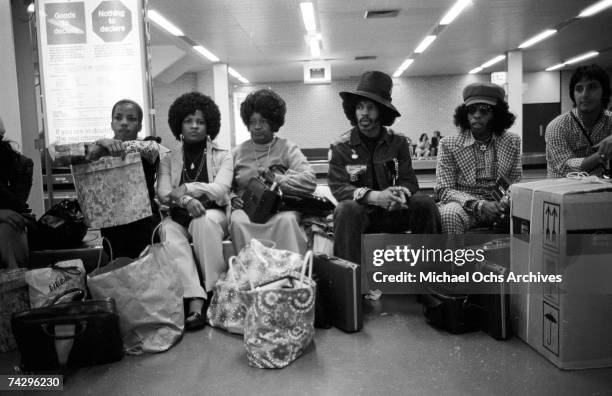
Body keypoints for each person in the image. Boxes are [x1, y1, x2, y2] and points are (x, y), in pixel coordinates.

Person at [328, 71, 441, 265]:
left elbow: (409, 181)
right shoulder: (341, 146)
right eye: (360, 107)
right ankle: (351, 286)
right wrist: (376, 197)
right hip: (362, 214)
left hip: (396, 210)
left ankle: (433, 276)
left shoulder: (398, 143)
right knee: (345, 209)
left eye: (370, 107)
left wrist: (400, 196)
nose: (364, 113)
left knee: (425, 203)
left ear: (382, 111)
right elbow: (339, 187)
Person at [157, 92, 232, 330]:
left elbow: (220, 191)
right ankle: (195, 299)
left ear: (209, 126)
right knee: (168, 230)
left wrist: (188, 187)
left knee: (204, 220)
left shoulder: (223, 156)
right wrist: (186, 200)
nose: (194, 126)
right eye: (189, 121)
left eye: (200, 122)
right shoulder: (168, 159)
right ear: (179, 124)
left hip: (213, 213)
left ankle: (216, 291)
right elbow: (164, 193)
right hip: (179, 216)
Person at [230, 89, 316, 254]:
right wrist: (233, 198)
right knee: (236, 221)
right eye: (252, 121)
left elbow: (310, 180)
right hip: (246, 212)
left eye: (262, 121)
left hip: (281, 210)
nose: (256, 127)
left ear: (274, 122)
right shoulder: (236, 153)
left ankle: (291, 272)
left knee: (288, 220)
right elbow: (224, 187)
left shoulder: (287, 148)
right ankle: (248, 273)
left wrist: (276, 179)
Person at [435, 82, 521, 234]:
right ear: (464, 114)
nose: (477, 115)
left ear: (496, 113)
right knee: (448, 214)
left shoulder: (512, 142)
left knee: (529, 210)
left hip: (500, 206)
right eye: (471, 109)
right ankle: (456, 258)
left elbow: (514, 182)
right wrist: (479, 205)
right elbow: (444, 189)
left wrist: (504, 203)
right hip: (464, 206)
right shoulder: (448, 144)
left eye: (484, 110)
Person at [88, 99, 169, 258]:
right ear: (111, 123)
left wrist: (102, 145)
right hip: (112, 227)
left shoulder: (149, 146)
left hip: (144, 226)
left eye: (131, 119)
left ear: (140, 126)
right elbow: (61, 153)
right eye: (118, 118)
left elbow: (152, 149)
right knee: (117, 272)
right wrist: (101, 142)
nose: (124, 123)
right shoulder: (99, 150)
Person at [545, 64, 612, 178]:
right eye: (579, 89)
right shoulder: (558, 126)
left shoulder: (609, 121)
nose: (584, 95)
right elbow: (566, 168)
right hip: (562, 190)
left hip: (601, 190)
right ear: (573, 94)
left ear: (604, 92)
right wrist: (602, 154)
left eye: (592, 87)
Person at [0, 121, 34, 269]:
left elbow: (16, 204)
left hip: (12, 220)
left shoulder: (20, 164)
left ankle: (14, 288)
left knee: (9, 228)